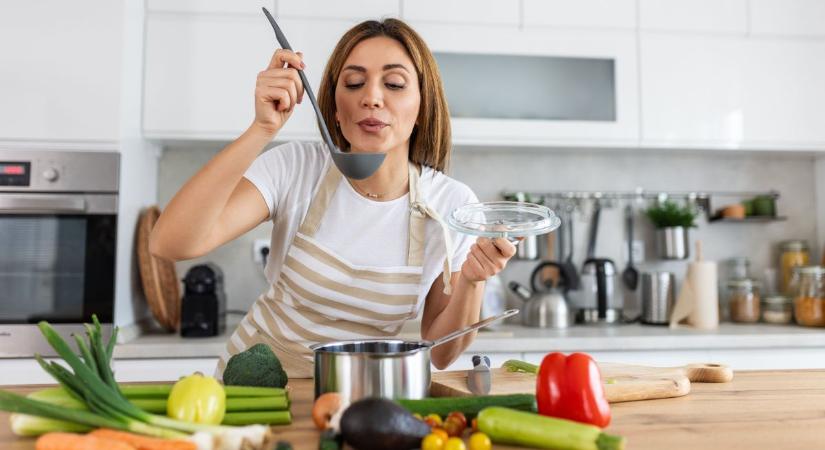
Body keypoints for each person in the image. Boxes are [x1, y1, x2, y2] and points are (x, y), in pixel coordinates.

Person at [149, 18, 517, 378]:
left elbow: (440, 352)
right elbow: (170, 242)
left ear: (423, 105)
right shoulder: (296, 167)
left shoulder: (451, 204)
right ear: (336, 110)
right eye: (354, 83)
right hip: (252, 387)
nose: (371, 97)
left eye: (393, 83)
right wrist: (261, 129)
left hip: (355, 394)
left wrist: (472, 279)